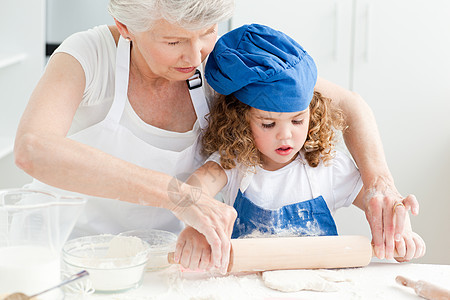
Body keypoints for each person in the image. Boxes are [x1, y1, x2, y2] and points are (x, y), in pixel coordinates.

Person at [13, 0, 416, 274]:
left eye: (206, 31)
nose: (196, 56)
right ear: (126, 28)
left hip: (165, 261)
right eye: (174, 42)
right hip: (71, 258)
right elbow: (33, 149)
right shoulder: (90, 55)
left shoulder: (224, 65)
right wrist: (177, 195)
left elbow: (349, 105)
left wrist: (380, 183)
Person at [173, 24, 425, 271]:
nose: (286, 135)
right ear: (240, 121)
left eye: (297, 120)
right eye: (268, 124)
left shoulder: (328, 166)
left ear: (313, 113)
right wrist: (197, 224)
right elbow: (195, 188)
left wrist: (398, 229)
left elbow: (379, 206)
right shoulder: (233, 163)